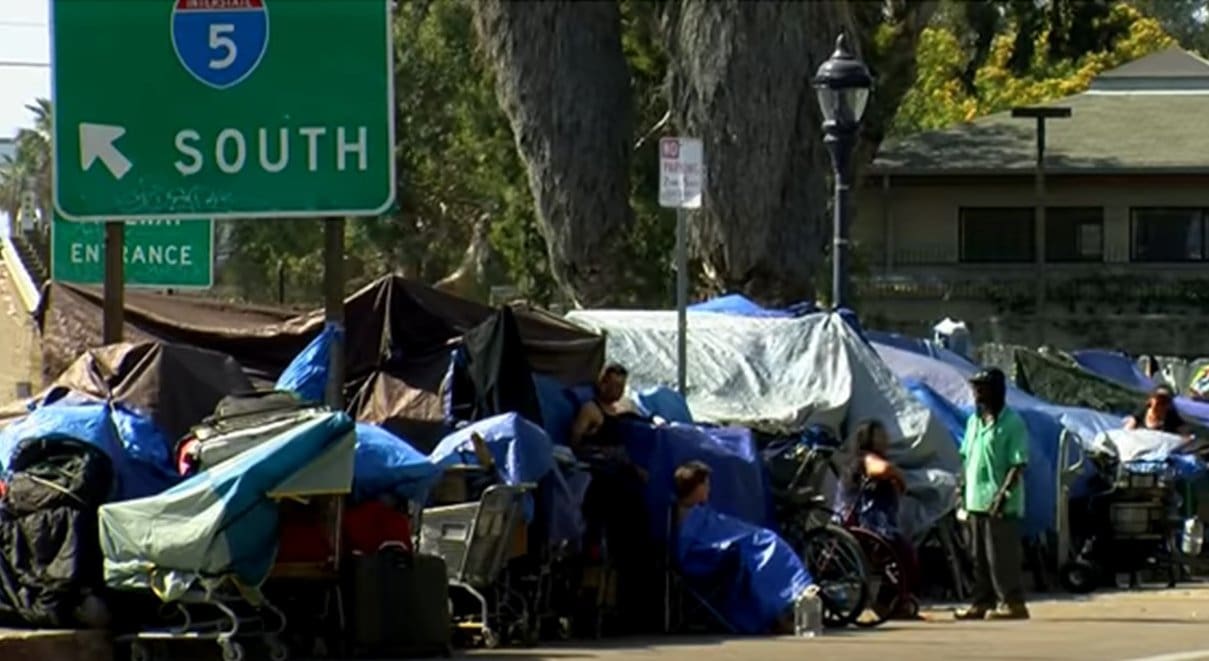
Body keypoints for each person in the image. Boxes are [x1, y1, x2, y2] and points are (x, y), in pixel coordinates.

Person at [672, 461, 811, 634]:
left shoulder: (700, 511)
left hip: (727, 547)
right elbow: (696, 544)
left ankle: (782, 608)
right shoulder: (684, 514)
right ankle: (782, 608)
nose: (709, 488)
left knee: (762, 548)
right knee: (763, 546)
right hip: (703, 558)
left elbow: (723, 529)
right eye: (705, 484)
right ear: (695, 486)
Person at [955, 368, 1030, 621]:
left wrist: (1003, 496)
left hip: (1001, 502)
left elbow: (1018, 464)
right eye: (975, 387)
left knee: (1001, 556)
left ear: (996, 390)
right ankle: (981, 601)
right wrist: (961, 488)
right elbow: (966, 457)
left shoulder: (1012, 423)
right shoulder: (973, 421)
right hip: (975, 499)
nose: (976, 392)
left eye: (982, 387)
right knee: (977, 556)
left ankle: (1012, 602)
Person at [838, 420, 919, 608]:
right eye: (879, 436)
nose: (885, 439)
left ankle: (892, 600)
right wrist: (899, 478)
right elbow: (885, 469)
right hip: (866, 524)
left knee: (903, 550)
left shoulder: (864, 460)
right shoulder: (865, 459)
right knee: (902, 551)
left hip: (874, 523)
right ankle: (892, 601)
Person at [1124, 384, 1191, 436]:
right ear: (1151, 400)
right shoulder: (1141, 412)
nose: (1160, 404)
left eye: (1164, 401)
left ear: (1169, 404)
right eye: (1158, 399)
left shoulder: (1172, 418)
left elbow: (1186, 434)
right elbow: (1127, 432)